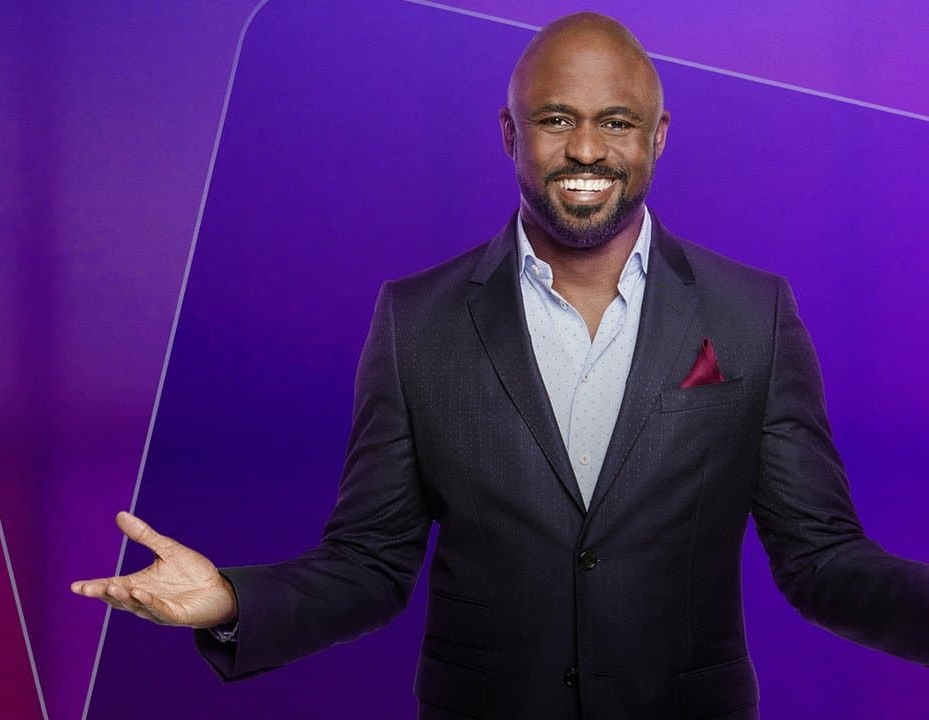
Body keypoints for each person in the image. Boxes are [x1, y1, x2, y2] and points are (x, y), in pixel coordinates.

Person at [71, 12, 928, 719]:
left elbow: (821, 559)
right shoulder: (416, 321)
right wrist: (231, 600)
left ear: (657, 137)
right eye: (555, 119)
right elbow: (371, 564)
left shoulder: (752, 314)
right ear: (510, 134)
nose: (586, 149)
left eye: (616, 122)